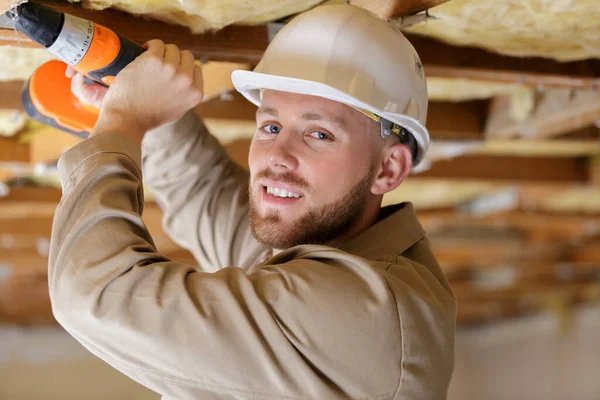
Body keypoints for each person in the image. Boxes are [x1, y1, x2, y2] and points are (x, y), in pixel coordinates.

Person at [49, 4, 456, 399]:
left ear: (389, 168)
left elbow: (93, 294)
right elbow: (201, 190)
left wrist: (125, 120)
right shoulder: (324, 244)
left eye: (319, 134)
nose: (276, 155)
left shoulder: (364, 315)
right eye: (271, 125)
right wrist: (143, 105)